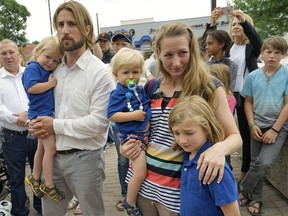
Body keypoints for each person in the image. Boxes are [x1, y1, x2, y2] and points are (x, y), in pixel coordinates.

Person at [120, 22, 242, 215]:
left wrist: (220, 149)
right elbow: (141, 131)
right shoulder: (151, 87)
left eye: (182, 53)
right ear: (158, 52)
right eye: (168, 55)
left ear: (192, 51)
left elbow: (235, 136)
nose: (176, 62)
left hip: (179, 192)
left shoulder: (209, 86)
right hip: (144, 185)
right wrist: (126, 147)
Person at [28, 1, 115, 215]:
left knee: (92, 212)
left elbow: (99, 124)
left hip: (85, 160)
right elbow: (39, 102)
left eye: (72, 24)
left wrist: (54, 125)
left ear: (86, 30)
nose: (65, 31)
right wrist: (34, 123)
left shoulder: (100, 73)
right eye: (60, 25)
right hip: (53, 159)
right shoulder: (52, 68)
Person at [210, 8, 262, 182]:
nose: (236, 26)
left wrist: (243, 20)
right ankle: (226, 169)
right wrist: (213, 23)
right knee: (225, 132)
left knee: (245, 135)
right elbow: (208, 45)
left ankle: (245, 172)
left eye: (239, 23)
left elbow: (256, 39)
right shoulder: (227, 47)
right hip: (227, 95)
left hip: (246, 97)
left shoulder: (251, 47)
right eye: (233, 24)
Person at [239, 36, 288, 216]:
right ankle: (256, 199)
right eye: (268, 51)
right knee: (255, 161)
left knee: (265, 161)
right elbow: (248, 102)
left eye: (277, 52)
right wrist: (251, 125)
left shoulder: (286, 74)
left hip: (278, 126)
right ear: (262, 53)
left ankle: (244, 187)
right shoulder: (253, 76)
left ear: (283, 55)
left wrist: (275, 129)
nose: (272, 56)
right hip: (257, 125)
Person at [168, 95, 240, 216]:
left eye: (189, 133)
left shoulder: (215, 168)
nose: (182, 140)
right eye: (176, 133)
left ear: (207, 128)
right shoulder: (188, 156)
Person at [107, 48, 151, 216]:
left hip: (143, 135)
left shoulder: (138, 90)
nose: (131, 76)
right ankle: (129, 202)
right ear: (116, 74)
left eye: (135, 71)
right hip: (131, 138)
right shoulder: (118, 93)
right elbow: (111, 115)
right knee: (140, 172)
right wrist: (133, 115)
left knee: (139, 170)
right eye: (126, 72)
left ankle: (136, 197)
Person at [0, 39, 41, 215]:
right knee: (16, 178)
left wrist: (26, 114)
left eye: (11, 52)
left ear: (19, 54)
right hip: (12, 137)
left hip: (36, 134)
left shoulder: (30, 74)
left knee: (39, 174)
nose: (8, 57)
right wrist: (17, 118)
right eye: (4, 53)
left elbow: (40, 99)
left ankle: (41, 207)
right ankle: (20, 211)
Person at [22, 36, 65, 201]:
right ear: (38, 51)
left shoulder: (44, 70)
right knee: (51, 150)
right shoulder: (32, 68)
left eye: (55, 61)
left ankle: (34, 176)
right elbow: (31, 87)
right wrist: (50, 84)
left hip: (43, 114)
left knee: (41, 149)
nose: (50, 63)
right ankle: (49, 185)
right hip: (41, 116)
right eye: (48, 57)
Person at [209, 63, 237, 170]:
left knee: (224, 162)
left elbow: (223, 118)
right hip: (212, 137)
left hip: (222, 138)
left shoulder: (229, 99)